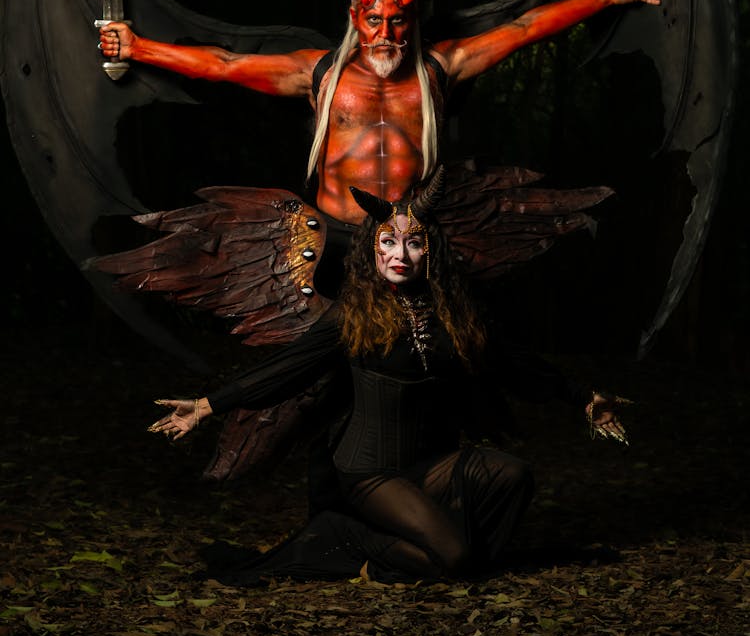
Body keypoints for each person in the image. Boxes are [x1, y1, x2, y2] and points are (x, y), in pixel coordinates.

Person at [146, 173, 627, 585]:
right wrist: (207, 405)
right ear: (371, 251)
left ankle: (447, 549)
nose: (401, 254)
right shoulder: (350, 318)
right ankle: (348, 539)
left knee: (513, 475)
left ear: (430, 251)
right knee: (457, 559)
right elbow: (285, 370)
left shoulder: (456, 315)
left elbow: (516, 362)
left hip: (433, 463)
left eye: (414, 242)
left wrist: (584, 397)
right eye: (389, 242)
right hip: (370, 471)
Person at [99, 0, 664, 229]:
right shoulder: (319, 73)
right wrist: (137, 50)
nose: (385, 33)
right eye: (374, 19)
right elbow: (223, 64)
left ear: (411, 19)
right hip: (333, 240)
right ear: (355, 17)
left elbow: (522, 29)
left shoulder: (441, 68)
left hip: (412, 241)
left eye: (397, 20)